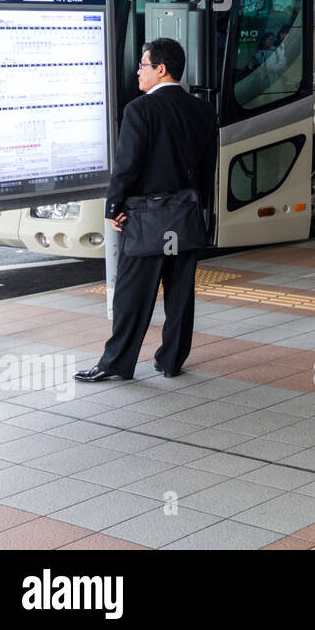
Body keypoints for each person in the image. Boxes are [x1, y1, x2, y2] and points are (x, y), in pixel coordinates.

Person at [75, 39, 217, 382]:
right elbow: (207, 165)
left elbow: (127, 166)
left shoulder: (139, 110)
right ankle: (171, 361)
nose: (138, 71)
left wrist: (114, 204)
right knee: (180, 293)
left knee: (131, 294)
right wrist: (203, 210)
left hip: (147, 217)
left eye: (143, 65)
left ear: (161, 69)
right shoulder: (201, 110)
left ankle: (116, 363)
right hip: (185, 214)